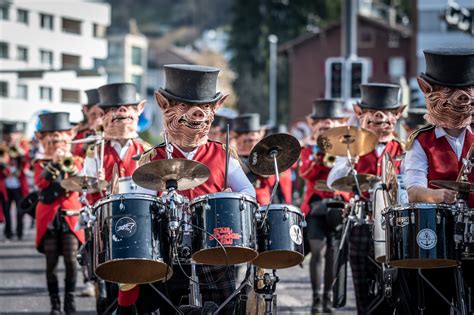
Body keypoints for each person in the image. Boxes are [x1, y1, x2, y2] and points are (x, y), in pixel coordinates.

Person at [116, 64, 255, 314]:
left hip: (216, 245)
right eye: (184, 106)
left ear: (215, 109)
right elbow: (142, 204)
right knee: (173, 307)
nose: (196, 114)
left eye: (205, 107)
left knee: (224, 307)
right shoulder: (153, 157)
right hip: (171, 248)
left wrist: (225, 201)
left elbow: (248, 192)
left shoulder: (222, 154)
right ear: (163, 104)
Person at [404, 47, 474, 314]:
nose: (461, 99)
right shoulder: (420, 141)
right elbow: (413, 190)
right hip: (439, 232)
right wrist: (437, 196)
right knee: (437, 302)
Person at [327, 83, 405, 314]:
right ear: (361, 114)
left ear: (397, 115)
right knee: (362, 286)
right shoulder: (354, 147)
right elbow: (334, 180)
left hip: (393, 226)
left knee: (394, 287)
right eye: (372, 112)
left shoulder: (404, 148)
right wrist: (351, 158)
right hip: (361, 223)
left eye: (387, 113)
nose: (380, 118)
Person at [83, 82, 151, 313]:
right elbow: (86, 188)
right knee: (108, 281)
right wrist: (96, 180)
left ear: (137, 110)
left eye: (127, 108)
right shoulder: (95, 150)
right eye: (114, 109)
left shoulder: (147, 149)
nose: (121, 113)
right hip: (106, 220)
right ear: (104, 114)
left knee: (139, 277)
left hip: (139, 220)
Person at [33, 112, 85, 315]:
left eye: (61, 134)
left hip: (70, 215)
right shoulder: (39, 162)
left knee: (72, 261)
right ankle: (55, 305)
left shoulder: (77, 160)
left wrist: (69, 164)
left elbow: (81, 183)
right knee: (51, 263)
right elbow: (40, 183)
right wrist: (54, 163)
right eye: (52, 135)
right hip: (48, 217)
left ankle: (69, 302)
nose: (57, 139)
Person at [299, 99, 347, 314]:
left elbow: (348, 177)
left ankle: (328, 296)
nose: (326, 124)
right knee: (318, 251)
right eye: (321, 122)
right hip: (315, 206)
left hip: (338, 205)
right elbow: (305, 174)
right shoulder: (308, 149)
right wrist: (320, 155)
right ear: (314, 125)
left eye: (332, 121)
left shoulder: (348, 148)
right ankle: (316, 297)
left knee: (332, 254)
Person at [233, 113, 278, 205]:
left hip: (262, 202)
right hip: (240, 202)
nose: (252, 142)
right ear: (237, 138)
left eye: (255, 140)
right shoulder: (231, 157)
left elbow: (271, 179)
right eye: (248, 139)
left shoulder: (264, 156)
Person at [0, 123, 30, 240]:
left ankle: (19, 232)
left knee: (20, 210)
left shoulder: (22, 146)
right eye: (9, 134)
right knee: (6, 211)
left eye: (14, 134)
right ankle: (8, 232)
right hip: (6, 185)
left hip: (18, 185)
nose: (11, 136)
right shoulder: (2, 148)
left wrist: (17, 148)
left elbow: (27, 160)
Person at [72, 89, 104, 157]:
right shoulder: (79, 133)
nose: (98, 119)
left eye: (101, 115)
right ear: (86, 110)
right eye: (94, 114)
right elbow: (78, 155)